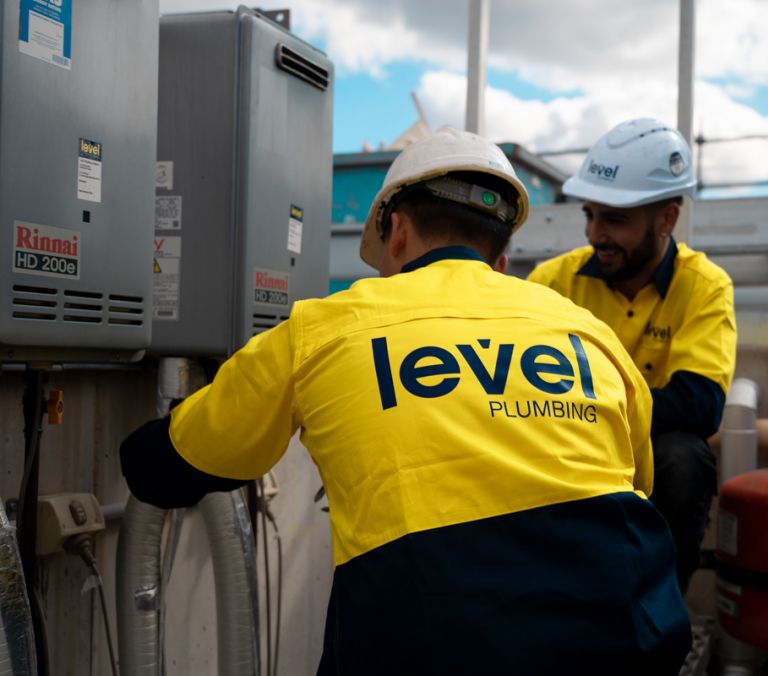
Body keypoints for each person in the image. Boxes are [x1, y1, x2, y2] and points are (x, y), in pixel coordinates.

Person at [121, 127, 691, 675]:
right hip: (627, 629)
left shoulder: (322, 328)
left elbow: (175, 461)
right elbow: (638, 480)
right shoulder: (588, 333)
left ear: (395, 232)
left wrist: (143, 450)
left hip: (429, 637)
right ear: (499, 260)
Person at [527, 118, 737, 594]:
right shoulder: (549, 282)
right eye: (590, 215)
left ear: (666, 219)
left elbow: (700, 405)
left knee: (683, 457)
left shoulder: (704, 287)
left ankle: (662, 603)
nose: (594, 234)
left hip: (628, 451)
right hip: (564, 451)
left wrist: (583, 407)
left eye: (614, 219)